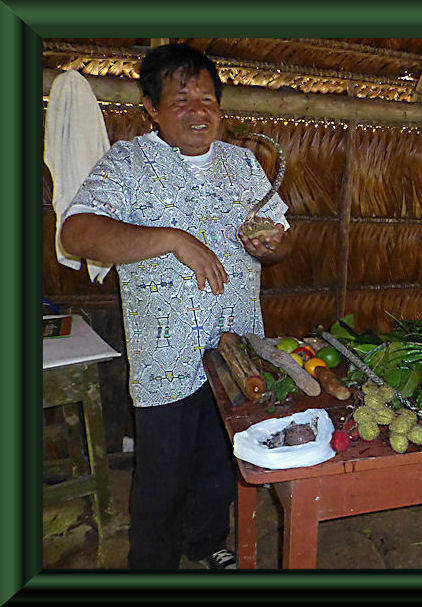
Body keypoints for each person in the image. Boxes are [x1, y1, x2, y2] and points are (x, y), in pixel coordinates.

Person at [59, 43, 293, 570]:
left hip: (235, 350)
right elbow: (78, 233)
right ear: (152, 108)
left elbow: (284, 238)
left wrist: (272, 245)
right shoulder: (129, 164)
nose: (198, 111)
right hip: (165, 358)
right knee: (162, 475)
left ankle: (206, 542)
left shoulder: (243, 166)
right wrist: (172, 239)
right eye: (182, 99)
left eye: (208, 99)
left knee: (221, 460)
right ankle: (152, 566)